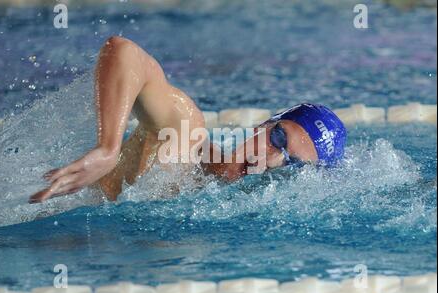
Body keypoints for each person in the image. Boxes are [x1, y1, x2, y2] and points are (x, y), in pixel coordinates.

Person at [29, 36, 347, 204]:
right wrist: (108, 147)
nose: (272, 160)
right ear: (260, 127)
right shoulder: (185, 136)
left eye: (292, 165)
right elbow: (123, 51)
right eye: (277, 139)